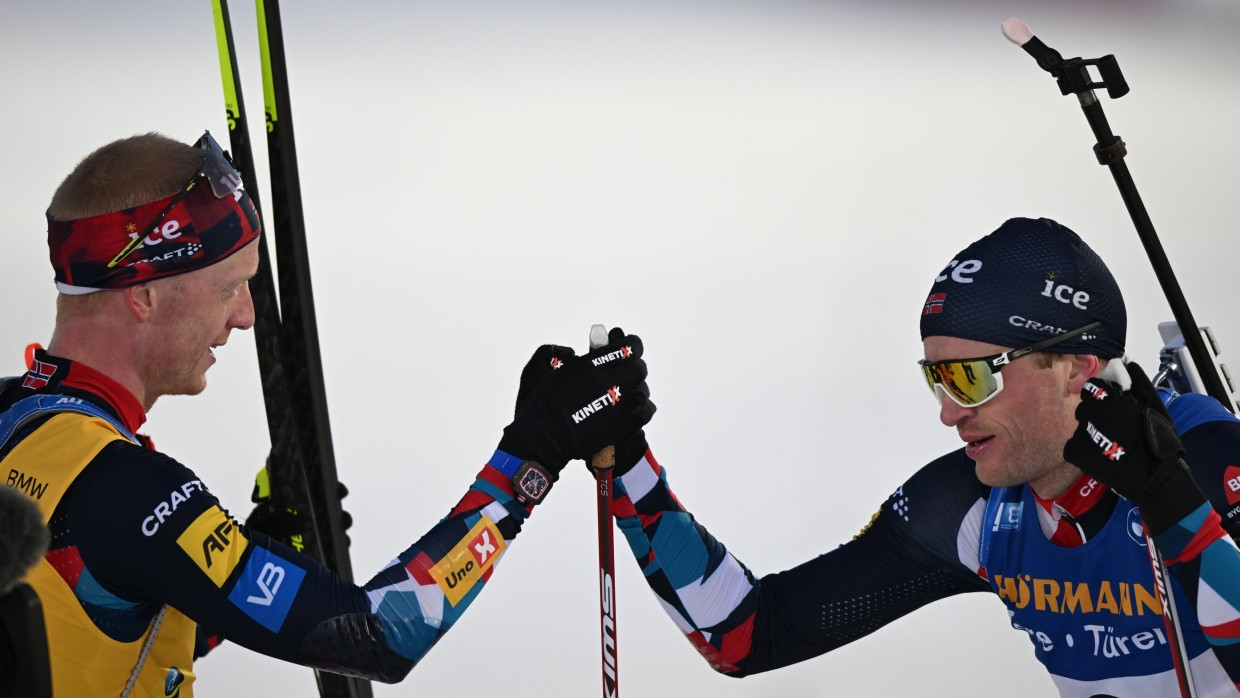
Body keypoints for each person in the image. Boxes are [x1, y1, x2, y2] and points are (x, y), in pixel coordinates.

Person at [0, 131, 654, 697]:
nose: (245, 316)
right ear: (142, 295)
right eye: (229, 288)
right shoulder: (129, 491)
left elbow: (93, 625)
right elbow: (379, 634)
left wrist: (264, 535)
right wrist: (534, 455)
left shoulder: (19, 422)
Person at [601, 217, 1240, 697]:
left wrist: (1168, 499)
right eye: (936, 379)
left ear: (1077, 368)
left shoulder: (1208, 462)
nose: (948, 412)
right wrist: (626, 458)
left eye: (970, 378)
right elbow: (744, 634)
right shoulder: (971, 506)